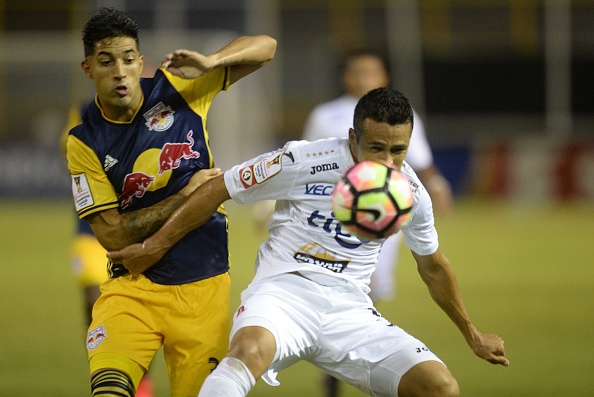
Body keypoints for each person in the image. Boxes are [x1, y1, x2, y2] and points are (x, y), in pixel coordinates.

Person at [108, 87, 509, 397]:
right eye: (376, 148)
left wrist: (472, 333)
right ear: (353, 137)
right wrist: (156, 245)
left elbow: (433, 266)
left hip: (351, 310)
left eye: (398, 151)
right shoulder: (303, 161)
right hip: (284, 293)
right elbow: (219, 188)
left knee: (440, 388)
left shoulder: (411, 195)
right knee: (245, 353)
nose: (387, 164)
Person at [65, 7, 276, 397]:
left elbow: (266, 47)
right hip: (132, 288)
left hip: (203, 289)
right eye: (106, 61)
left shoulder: (179, 88)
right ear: (87, 68)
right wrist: (189, 193)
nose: (119, 71)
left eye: (128, 60)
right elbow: (112, 235)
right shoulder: (84, 140)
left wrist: (212, 61)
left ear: (140, 62)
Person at [303, 49, 454, 397]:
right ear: (346, 77)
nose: (364, 78)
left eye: (372, 72)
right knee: (354, 281)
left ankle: (349, 356)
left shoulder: (404, 114)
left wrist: (438, 184)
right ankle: (344, 361)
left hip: (388, 213)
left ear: (383, 77)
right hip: (333, 214)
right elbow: (307, 158)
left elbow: (419, 159)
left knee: (373, 287)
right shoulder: (324, 115)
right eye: (358, 71)